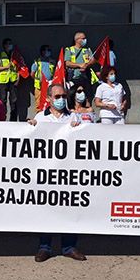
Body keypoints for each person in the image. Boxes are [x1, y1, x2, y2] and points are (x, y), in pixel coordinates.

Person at [27, 83, 86, 262]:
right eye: (57, 96)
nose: (61, 99)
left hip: (69, 173)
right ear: (48, 99)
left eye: (63, 96)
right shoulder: (40, 117)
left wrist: (79, 128)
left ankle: (69, 247)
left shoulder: (74, 117)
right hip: (47, 173)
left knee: (69, 209)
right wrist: (31, 127)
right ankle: (44, 247)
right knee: (46, 210)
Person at [64, 31, 97, 98]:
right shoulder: (69, 50)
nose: (85, 40)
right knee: (73, 97)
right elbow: (67, 63)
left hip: (86, 77)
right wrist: (79, 65)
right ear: (77, 40)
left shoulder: (87, 50)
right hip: (74, 77)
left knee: (87, 96)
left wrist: (87, 65)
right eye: (83, 38)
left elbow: (93, 60)